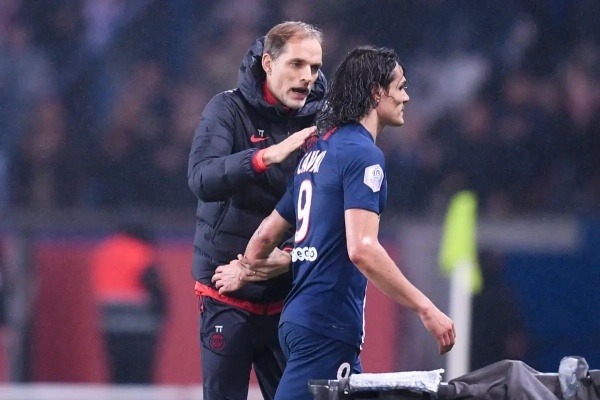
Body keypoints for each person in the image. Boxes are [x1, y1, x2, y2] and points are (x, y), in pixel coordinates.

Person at [213, 45, 456, 400]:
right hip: (327, 325)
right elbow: (362, 249)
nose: (406, 97)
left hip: (301, 320)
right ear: (376, 92)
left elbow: (265, 235)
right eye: (401, 87)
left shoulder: (316, 154)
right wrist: (426, 308)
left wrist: (249, 267)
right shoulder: (364, 155)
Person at [187, 21, 327, 400]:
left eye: (314, 67)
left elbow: (333, 211)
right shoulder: (227, 108)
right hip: (225, 292)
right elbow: (202, 179)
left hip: (289, 296)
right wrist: (264, 157)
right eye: (296, 64)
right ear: (268, 63)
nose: (307, 77)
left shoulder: (325, 121)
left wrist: (290, 256)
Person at [91, 222, 167, 384]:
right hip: (140, 327)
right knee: (140, 376)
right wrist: (163, 313)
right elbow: (154, 286)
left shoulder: (105, 250)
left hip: (110, 324)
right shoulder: (139, 252)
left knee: (118, 374)